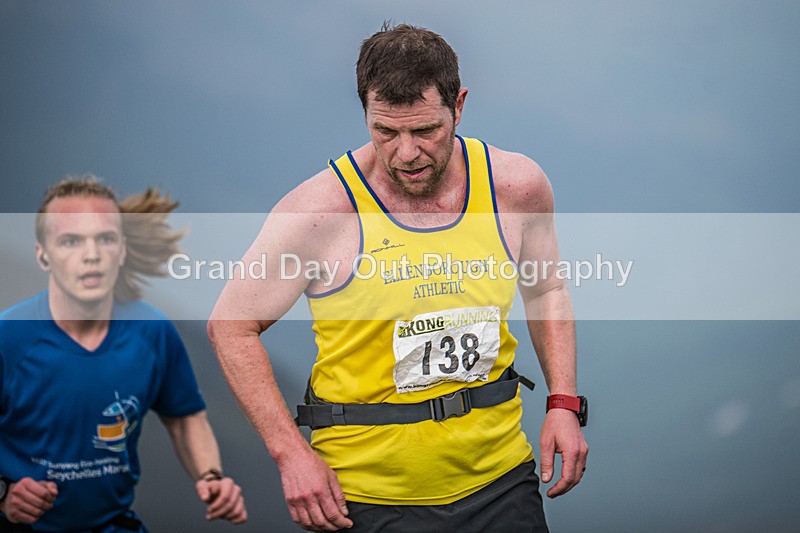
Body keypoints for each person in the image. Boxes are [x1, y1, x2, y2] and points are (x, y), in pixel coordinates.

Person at [208, 23, 588, 532]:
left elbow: (546, 289)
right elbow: (230, 326)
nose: (406, 152)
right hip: (365, 498)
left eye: (425, 130)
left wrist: (563, 403)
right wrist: (291, 455)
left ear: (459, 105)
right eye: (385, 131)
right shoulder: (319, 213)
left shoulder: (515, 187)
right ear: (364, 111)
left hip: (501, 481)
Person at [0, 177, 248, 532]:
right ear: (43, 254)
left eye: (105, 238)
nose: (91, 254)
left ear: (122, 249)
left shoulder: (152, 331)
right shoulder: (8, 337)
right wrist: (5, 494)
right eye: (71, 241)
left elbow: (184, 418)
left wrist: (210, 476)